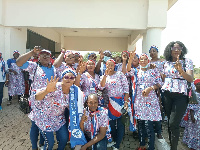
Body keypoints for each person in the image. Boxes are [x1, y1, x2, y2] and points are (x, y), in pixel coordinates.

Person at [33, 69, 86, 150]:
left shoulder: (75, 91)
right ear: (62, 78)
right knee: (50, 143)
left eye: (71, 78)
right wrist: (46, 90)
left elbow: (78, 106)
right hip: (44, 117)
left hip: (59, 119)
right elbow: (37, 97)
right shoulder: (54, 86)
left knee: (64, 139)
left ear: (74, 79)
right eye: (66, 77)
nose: (69, 79)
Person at [16, 48, 57, 150]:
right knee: (35, 125)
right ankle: (34, 147)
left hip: (50, 103)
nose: (45, 56)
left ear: (50, 58)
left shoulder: (54, 69)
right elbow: (19, 63)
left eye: (47, 55)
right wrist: (31, 53)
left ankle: (42, 144)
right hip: (37, 101)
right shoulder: (34, 66)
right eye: (42, 54)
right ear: (39, 56)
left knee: (45, 124)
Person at [127, 52, 163, 150]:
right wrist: (130, 59)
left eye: (145, 59)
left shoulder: (153, 71)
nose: (143, 61)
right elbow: (128, 70)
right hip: (139, 100)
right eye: (141, 59)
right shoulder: (136, 71)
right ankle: (142, 145)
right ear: (139, 61)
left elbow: (159, 83)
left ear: (148, 60)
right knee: (141, 124)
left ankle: (151, 147)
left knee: (149, 125)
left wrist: (150, 88)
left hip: (150, 101)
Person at [162, 41, 193, 150]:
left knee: (173, 123)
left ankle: (174, 147)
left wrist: (181, 70)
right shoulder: (166, 63)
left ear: (182, 50)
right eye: (174, 48)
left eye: (179, 48)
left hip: (181, 95)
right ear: (169, 50)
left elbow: (190, 78)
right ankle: (172, 146)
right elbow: (163, 78)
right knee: (170, 124)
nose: (176, 50)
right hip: (167, 94)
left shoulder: (187, 61)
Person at [100, 59, 129, 150]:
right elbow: (101, 87)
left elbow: (126, 88)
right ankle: (114, 140)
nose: (110, 67)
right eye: (108, 65)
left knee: (120, 123)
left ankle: (117, 144)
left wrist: (126, 102)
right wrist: (105, 75)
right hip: (109, 103)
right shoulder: (104, 76)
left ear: (114, 66)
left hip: (120, 101)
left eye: (112, 65)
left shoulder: (120, 74)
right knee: (112, 123)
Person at [182, 79, 200, 150]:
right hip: (194, 113)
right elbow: (191, 105)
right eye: (198, 84)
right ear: (195, 85)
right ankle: (192, 144)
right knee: (192, 129)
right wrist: (192, 116)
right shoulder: (193, 93)